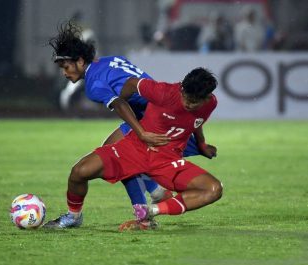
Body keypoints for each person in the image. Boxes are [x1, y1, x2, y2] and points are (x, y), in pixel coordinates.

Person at [47, 21, 203, 229]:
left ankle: (140, 215)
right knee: (112, 153)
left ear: (80, 61)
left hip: (156, 122)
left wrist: (142, 133)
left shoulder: (93, 84)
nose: (64, 73)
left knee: (110, 161)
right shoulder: (113, 60)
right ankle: (155, 192)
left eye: (66, 67)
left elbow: (120, 102)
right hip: (159, 115)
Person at [43, 67, 223, 230]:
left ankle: (150, 211)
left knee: (214, 189)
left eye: (195, 102)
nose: (189, 104)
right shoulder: (163, 92)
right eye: (187, 98)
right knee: (79, 171)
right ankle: (73, 217)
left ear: (206, 97)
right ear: (182, 88)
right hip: (133, 149)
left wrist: (201, 144)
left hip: (167, 160)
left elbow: (197, 121)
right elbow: (130, 84)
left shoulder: (210, 103)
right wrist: (139, 127)